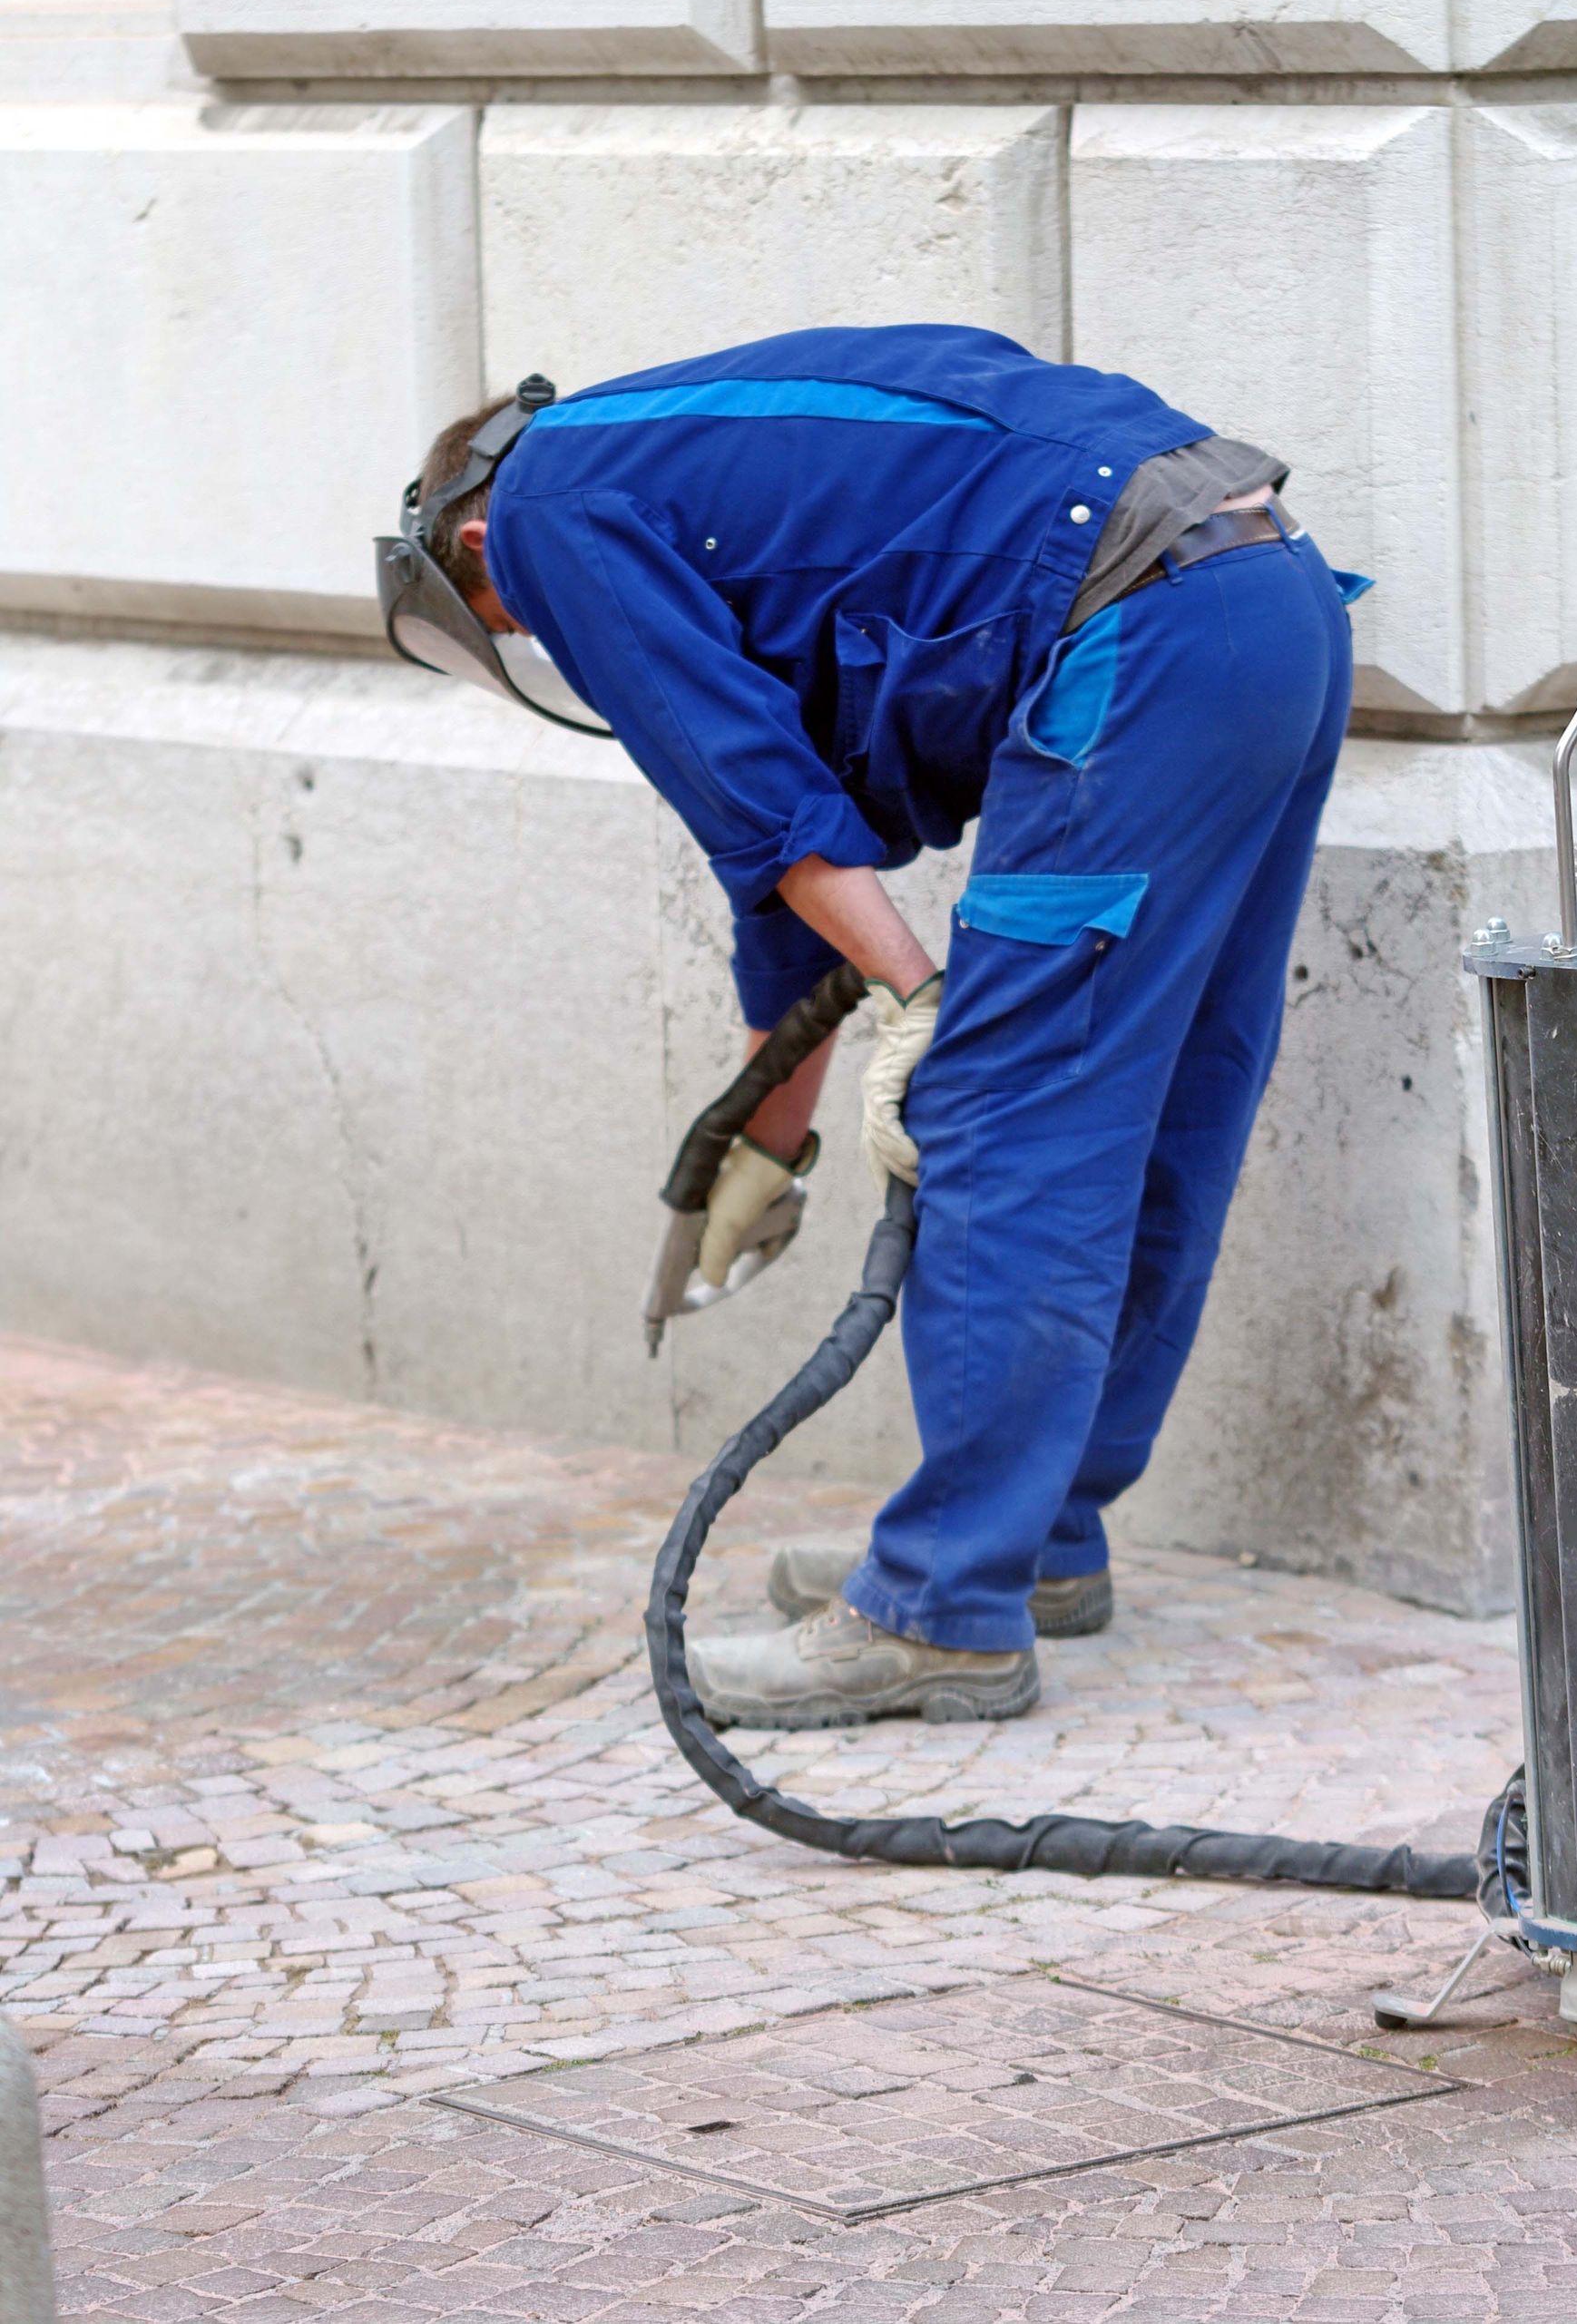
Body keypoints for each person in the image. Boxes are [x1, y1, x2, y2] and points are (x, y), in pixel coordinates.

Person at [416, 324, 1360, 1730]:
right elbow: (788, 865)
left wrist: (923, 1004)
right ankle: (1035, 1537)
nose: (543, 633)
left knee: (996, 1113)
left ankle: (940, 1607)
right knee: (1167, 1096)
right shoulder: (680, 453)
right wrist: (766, 1145)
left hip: (1136, 635)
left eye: (511, 619)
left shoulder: (545, 505)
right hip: (1266, 604)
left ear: (474, 538)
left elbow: (756, 794)